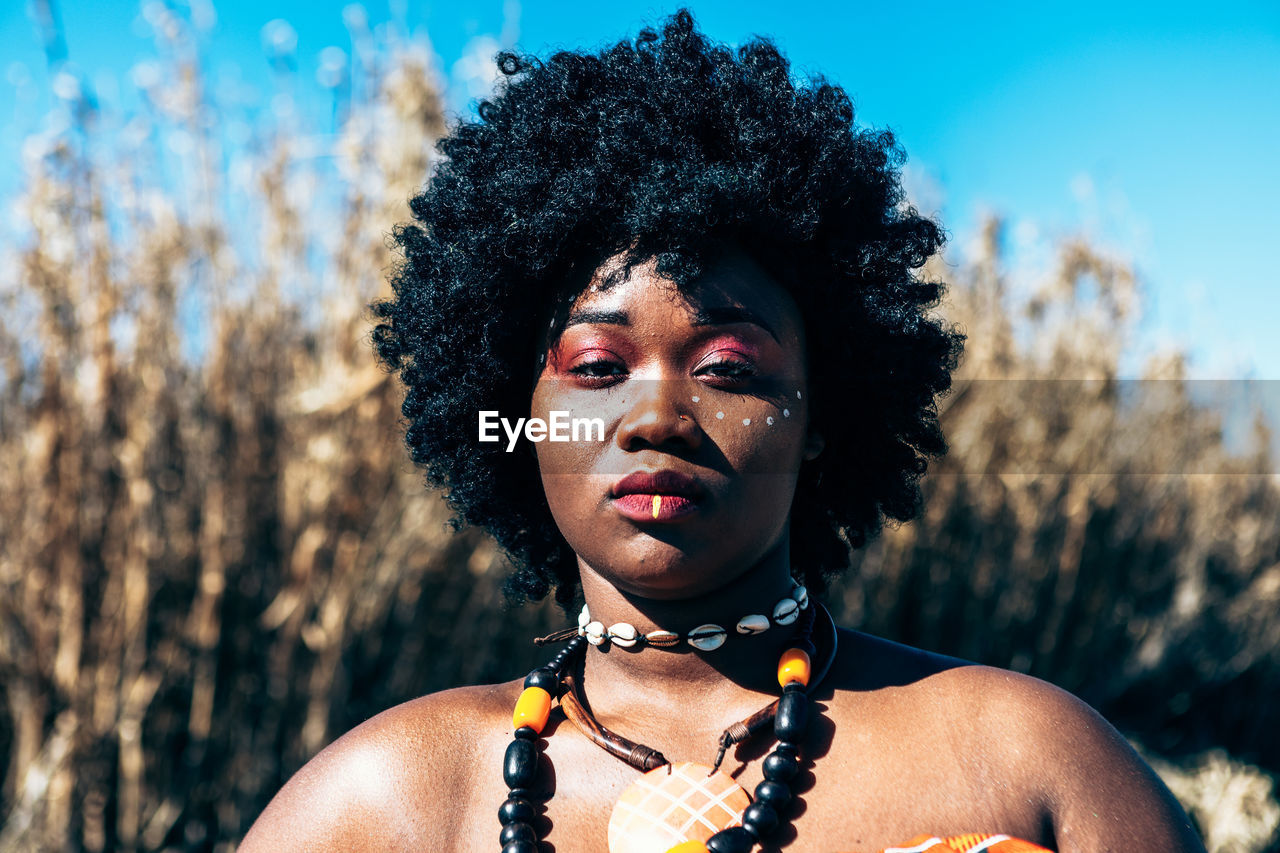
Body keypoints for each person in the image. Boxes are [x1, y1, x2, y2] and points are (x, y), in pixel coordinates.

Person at [240, 10, 1205, 853]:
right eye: (596, 369)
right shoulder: (386, 804)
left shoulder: (1030, 766)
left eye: (728, 370)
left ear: (821, 417)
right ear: (517, 413)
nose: (657, 416)